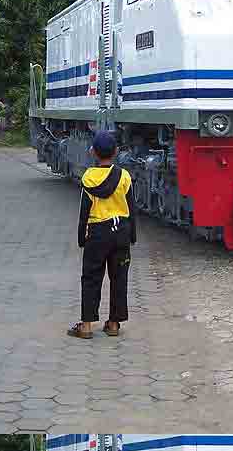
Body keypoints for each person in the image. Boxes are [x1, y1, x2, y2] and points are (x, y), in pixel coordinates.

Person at [68, 129, 136, 340]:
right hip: (121, 232)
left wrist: (82, 237)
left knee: (91, 278)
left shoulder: (88, 178)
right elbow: (132, 208)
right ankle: (114, 324)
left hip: (97, 234)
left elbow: (84, 211)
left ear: (92, 152)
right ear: (116, 151)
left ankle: (86, 326)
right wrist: (132, 235)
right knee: (119, 278)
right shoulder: (124, 176)